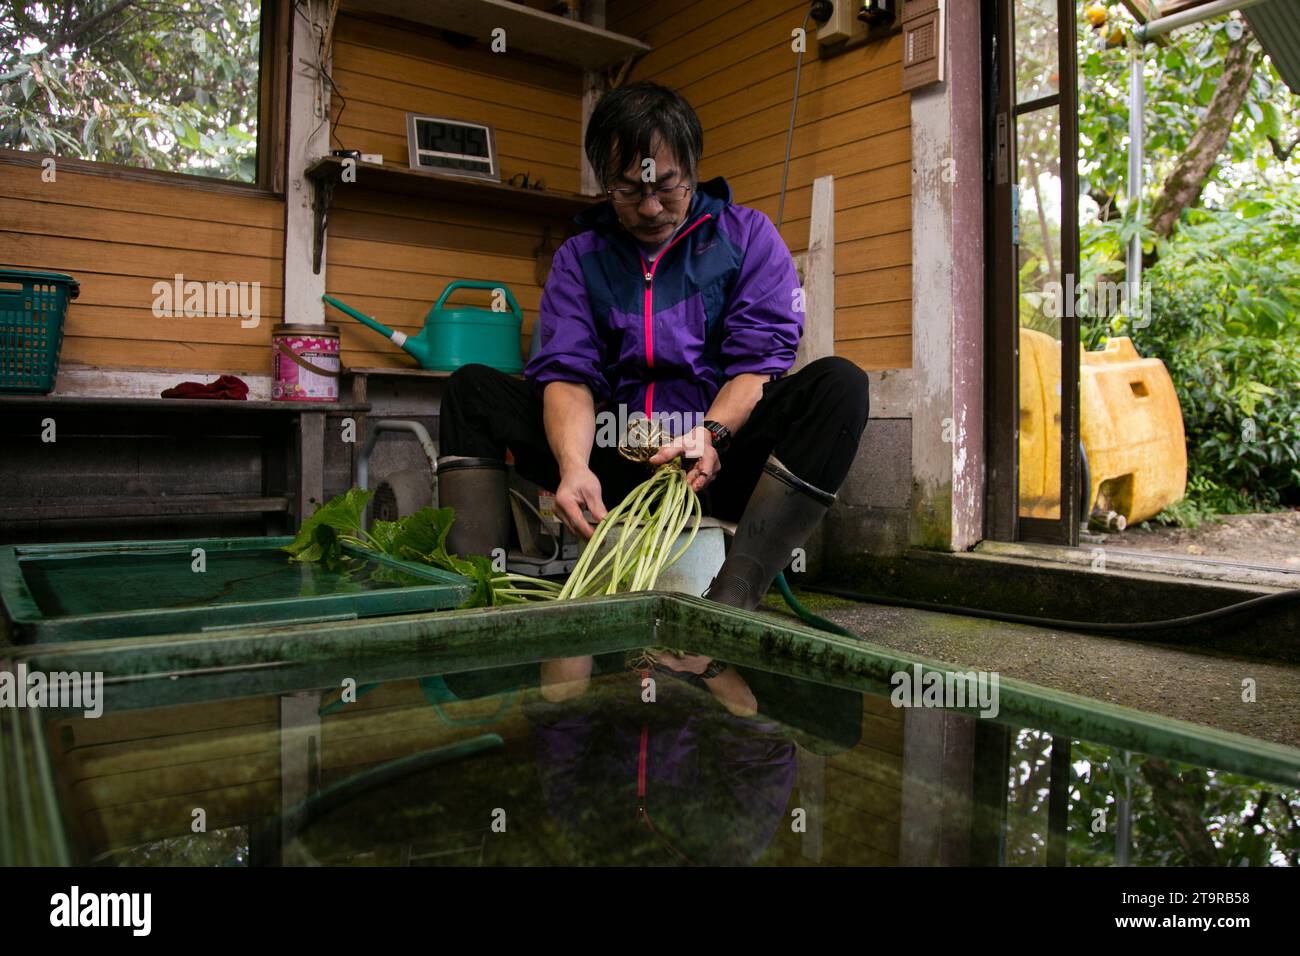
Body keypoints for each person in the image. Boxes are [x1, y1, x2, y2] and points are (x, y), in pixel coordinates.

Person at [438, 81, 870, 611]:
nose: (649, 208)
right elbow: (568, 376)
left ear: (692, 166)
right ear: (604, 183)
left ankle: (734, 595)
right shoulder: (581, 259)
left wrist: (711, 435)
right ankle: (477, 596)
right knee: (471, 390)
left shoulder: (748, 237)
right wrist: (574, 465)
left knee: (840, 384)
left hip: (712, 464)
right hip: (612, 459)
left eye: (668, 187)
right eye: (628, 190)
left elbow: (757, 367)